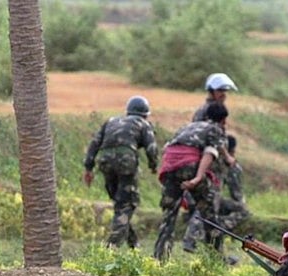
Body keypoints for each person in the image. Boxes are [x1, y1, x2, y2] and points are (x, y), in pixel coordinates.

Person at [153, 102, 229, 262]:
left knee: (168, 216)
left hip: (170, 166)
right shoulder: (216, 129)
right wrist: (198, 177)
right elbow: (210, 153)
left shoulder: (187, 127)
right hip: (189, 166)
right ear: (223, 120)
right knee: (208, 215)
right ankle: (216, 261)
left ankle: (159, 259)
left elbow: (167, 148)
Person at [83, 96, 159, 249]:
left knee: (120, 205)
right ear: (145, 114)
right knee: (127, 204)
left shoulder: (111, 121)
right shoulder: (143, 123)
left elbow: (94, 144)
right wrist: (153, 166)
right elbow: (152, 148)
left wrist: (88, 168)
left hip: (105, 162)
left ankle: (134, 245)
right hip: (126, 163)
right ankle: (111, 247)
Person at [182, 135, 250, 259]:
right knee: (243, 210)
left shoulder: (205, 155)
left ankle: (192, 239)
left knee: (207, 204)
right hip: (207, 199)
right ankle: (217, 227)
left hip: (189, 196)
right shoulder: (228, 163)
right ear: (232, 150)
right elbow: (237, 194)